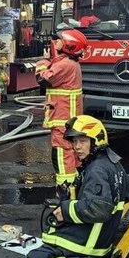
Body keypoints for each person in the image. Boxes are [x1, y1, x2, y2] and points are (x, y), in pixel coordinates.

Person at [22, 115, 129, 258]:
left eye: (83, 141)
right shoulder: (114, 165)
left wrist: (65, 211)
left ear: (97, 141)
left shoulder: (96, 169)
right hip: (102, 242)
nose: (77, 147)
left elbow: (99, 208)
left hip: (87, 242)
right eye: (75, 141)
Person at [34, 29, 87, 197]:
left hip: (62, 121)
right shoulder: (69, 63)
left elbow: (42, 79)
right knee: (70, 155)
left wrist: (43, 61)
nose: (55, 43)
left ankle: (65, 190)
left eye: (58, 40)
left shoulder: (64, 65)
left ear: (67, 45)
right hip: (67, 119)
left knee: (62, 157)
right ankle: (72, 188)